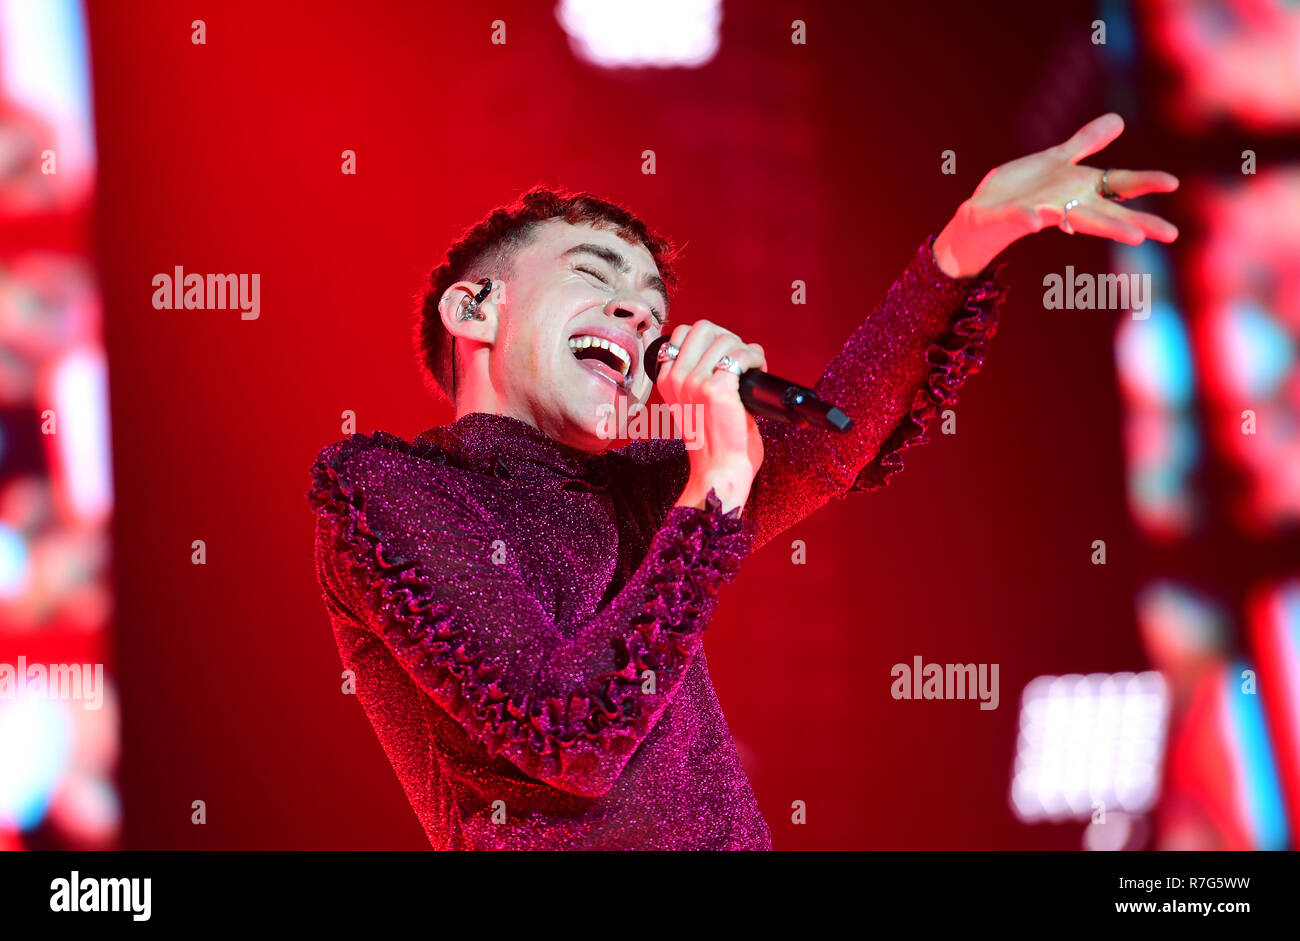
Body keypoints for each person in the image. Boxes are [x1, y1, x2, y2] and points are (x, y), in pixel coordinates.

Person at [306, 114, 1179, 849]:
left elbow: (835, 439)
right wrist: (715, 482)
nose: (638, 314)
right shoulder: (391, 490)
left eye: (652, 306)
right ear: (474, 310)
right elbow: (568, 732)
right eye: (592, 275)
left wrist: (970, 237)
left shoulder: (645, 491)